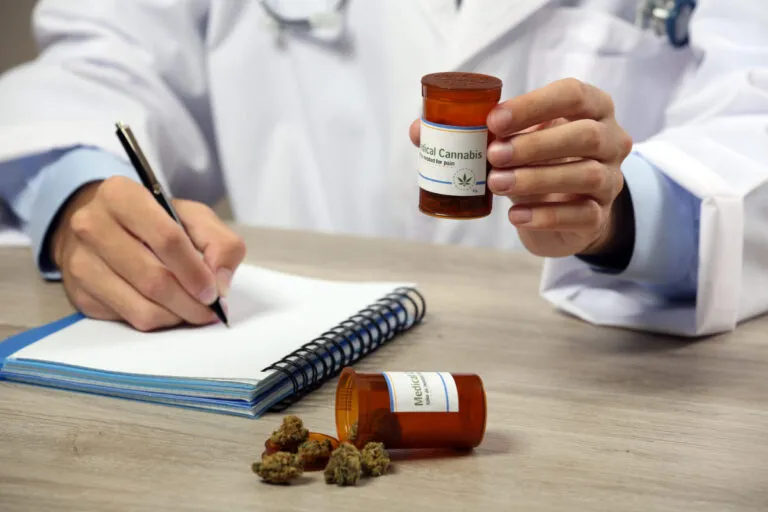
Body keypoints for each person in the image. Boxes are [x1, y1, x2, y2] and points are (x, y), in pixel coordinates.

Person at [0, 0, 765, 336]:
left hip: (600, 381)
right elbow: (105, 63)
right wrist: (78, 197)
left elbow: (754, 120)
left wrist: (627, 212)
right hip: (285, 357)